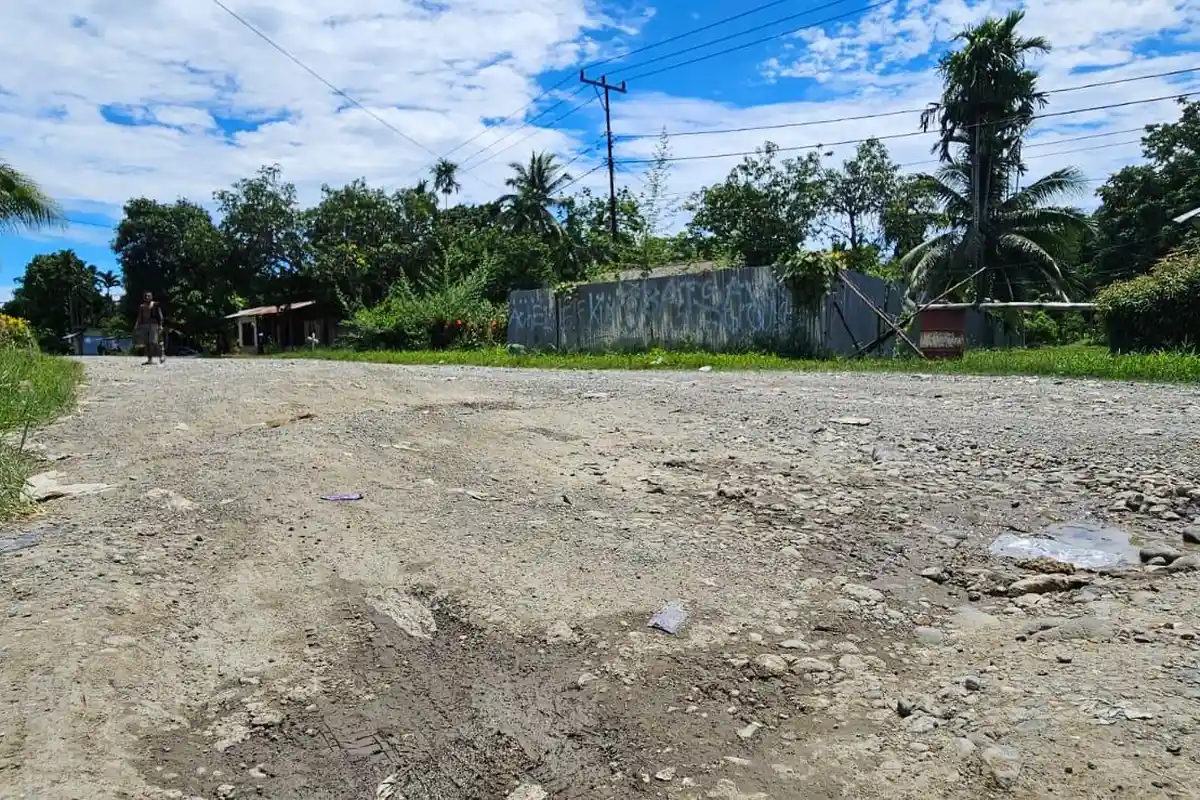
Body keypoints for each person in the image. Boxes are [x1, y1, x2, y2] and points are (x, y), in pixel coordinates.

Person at [135, 292, 164, 365]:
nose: (147, 297)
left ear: (151, 297)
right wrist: (137, 325)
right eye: (146, 296)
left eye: (148, 296)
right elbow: (139, 317)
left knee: (153, 342)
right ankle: (149, 360)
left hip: (154, 325)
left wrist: (160, 325)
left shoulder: (155, 305)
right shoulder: (142, 306)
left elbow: (160, 316)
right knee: (147, 343)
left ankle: (161, 355)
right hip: (145, 325)